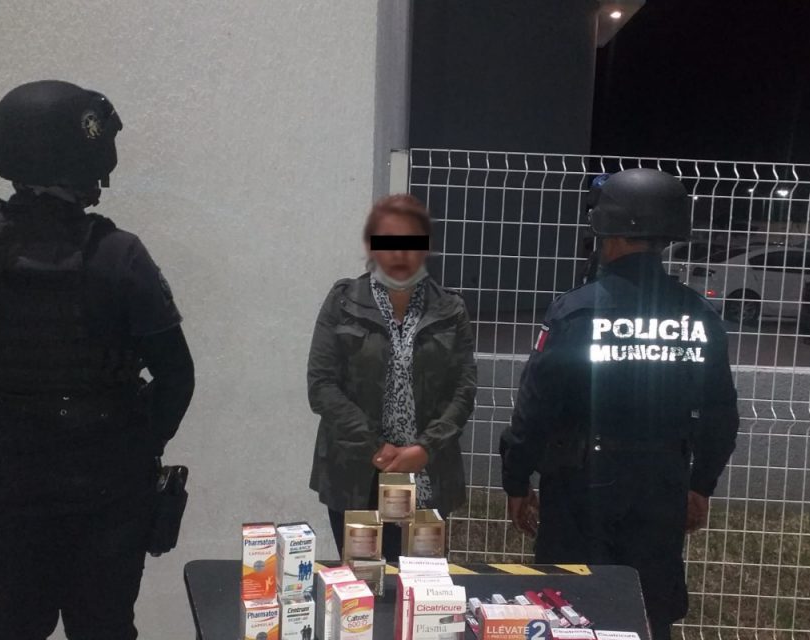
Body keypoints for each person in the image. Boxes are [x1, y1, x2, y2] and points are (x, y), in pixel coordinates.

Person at [0, 80, 195, 640]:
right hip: (109, 482)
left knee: (16, 620)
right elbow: (177, 376)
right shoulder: (118, 254)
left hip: (9, 474)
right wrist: (137, 444)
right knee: (105, 627)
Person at [499, 169, 740, 640]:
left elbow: (536, 408)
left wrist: (517, 480)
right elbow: (720, 414)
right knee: (648, 609)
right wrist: (700, 485)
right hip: (662, 485)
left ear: (606, 229)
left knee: (571, 609)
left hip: (580, 487)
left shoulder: (577, 311)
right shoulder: (698, 314)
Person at [307, 194, 477, 559]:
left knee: (421, 584)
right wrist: (375, 446)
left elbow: (463, 390)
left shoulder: (450, 309)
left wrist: (425, 448)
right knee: (361, 583)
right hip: (356, 473)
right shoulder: (342, 302)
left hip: (428, 473)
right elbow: (321, 386)